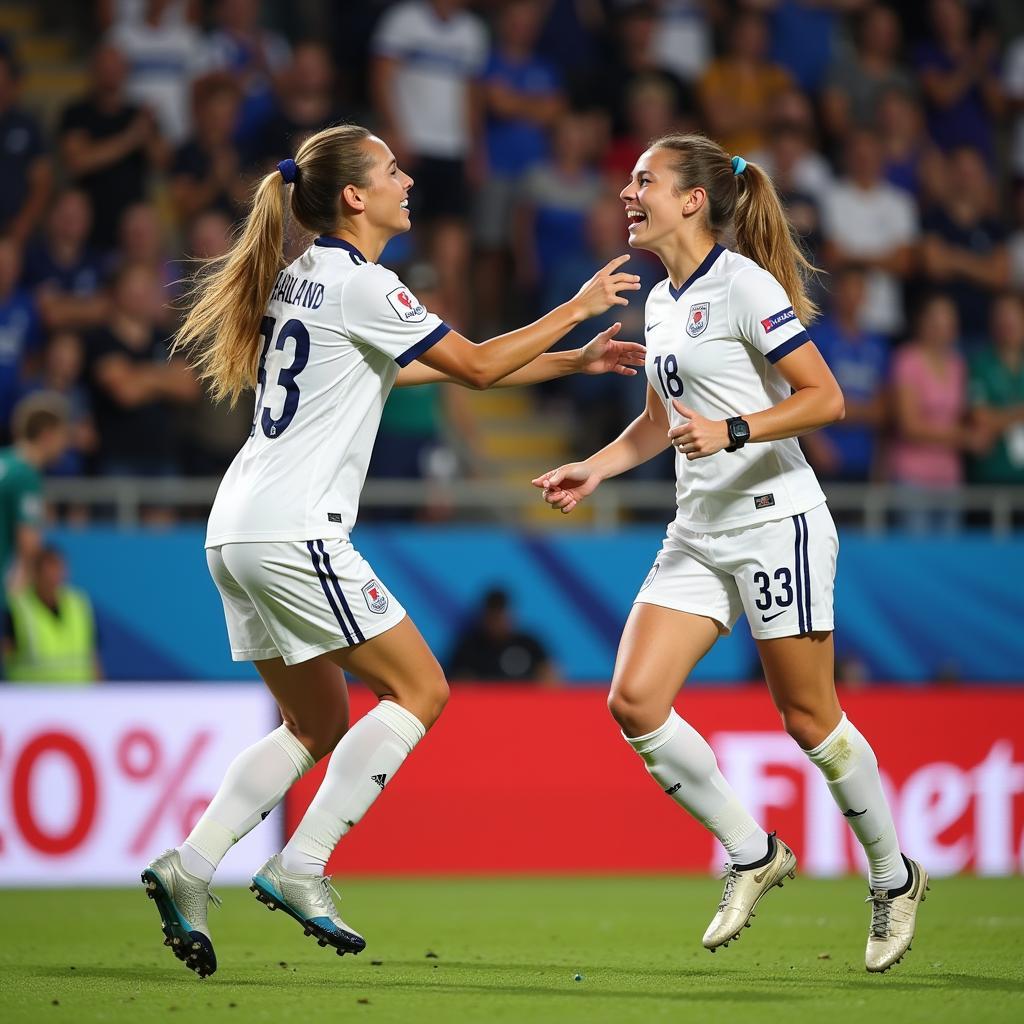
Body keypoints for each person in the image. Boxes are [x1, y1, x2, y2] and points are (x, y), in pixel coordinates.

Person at [142, 122, 645, 979]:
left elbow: (413, 371)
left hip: (235, 529)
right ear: (354, 196)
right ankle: (301, 866)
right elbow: (478, 367)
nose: (407, 179)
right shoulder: (363, 284)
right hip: (295, 528)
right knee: (421, 686)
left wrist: (571, 363)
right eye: (390, 170)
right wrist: (576, 306)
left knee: (317, 721)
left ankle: (189, 866)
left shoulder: (299, 278)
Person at [533, 134, 927, 973]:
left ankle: (894, 877)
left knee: (809, 720)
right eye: (630, 180)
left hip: (774, 520)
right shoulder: (663, 300)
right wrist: (594, 469)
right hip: (697, 529)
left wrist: (735, 428)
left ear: (694, 200)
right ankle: (752, 853)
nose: (629, 191)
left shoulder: (745, 286)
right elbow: (657, 420)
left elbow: (827, 399)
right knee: (634, 701)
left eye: (646, 179)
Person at [0, 395, 69, 636]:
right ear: (48, 434)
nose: (65, 446)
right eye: (63, 437)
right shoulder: (26, 475)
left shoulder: (5, 462)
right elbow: (28, 546)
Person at [3, 545, 101, 684]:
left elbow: (93, 656)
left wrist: (99, 693)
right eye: (48, 571)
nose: (54, 577)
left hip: (78, 698)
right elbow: (6, 652)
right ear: (35, 574)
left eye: (58, 570)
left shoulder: (78, 605)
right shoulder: (19, 609)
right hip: (31, 699)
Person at [967, 292, 1024, 486]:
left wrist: (1000, 418)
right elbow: (980, 418)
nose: (1007, 323)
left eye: (1013, 316)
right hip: (994, 473)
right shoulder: (980, 365)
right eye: (1001, 316)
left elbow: (990, 419)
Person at [448, 587, 557, 684]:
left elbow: (549, 675)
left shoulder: (528, 644)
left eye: (501, 616)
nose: (497, 622)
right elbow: (457, 682)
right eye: (493, 616)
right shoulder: (469, 647)